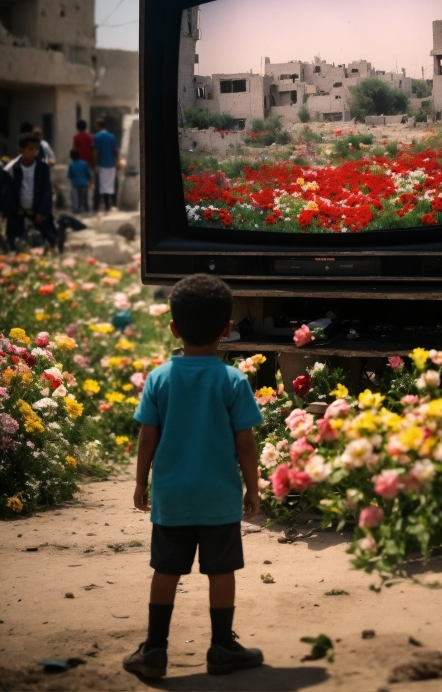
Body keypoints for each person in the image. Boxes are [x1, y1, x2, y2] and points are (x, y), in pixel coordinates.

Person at [123, 274, 264, 680]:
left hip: (172, 498)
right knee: (221, 571)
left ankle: (154, 650)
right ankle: (222, 648)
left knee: (166, 570)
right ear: (227, 329)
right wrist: (252, 488)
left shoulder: (159, 378)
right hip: (218, 498)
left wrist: (140, 482)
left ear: (173, 328)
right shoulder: (233, 381)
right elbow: (246, 445)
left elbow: (148, 437)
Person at [4, 132, 57, 250]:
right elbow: (7, 193)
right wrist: (15, 208)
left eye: (37, 149)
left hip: (39, 213)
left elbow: (46, 191)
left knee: (45, 244)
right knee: (17, 244)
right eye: (30, 149)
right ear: (20, 150)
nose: (34, 152)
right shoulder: (12, 169)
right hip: (18, 214)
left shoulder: (42, 168)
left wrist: (42, 212)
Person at [92, 117, 119, 211]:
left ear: (99, 126)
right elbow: (115, 150)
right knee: (109, 186)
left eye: (95, 124)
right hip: (111, 164)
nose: (94, 126)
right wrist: (117, 160)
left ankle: (96, 207)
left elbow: (96, 152)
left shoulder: (97, 136)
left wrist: (94, 164)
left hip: (101, 164)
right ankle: (108, 206)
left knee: (100, 186)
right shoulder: (112, 136)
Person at [67, 148, 91, 214]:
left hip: (75, 184)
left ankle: (76, 209)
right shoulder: (84, 163)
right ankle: (86, 208)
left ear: (71, 156)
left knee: (75, 197)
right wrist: (89, 180)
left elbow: (69, 175)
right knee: (84, 197)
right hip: (84, 183)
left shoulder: (71, 165)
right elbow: (88, 173)